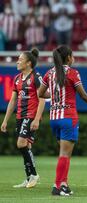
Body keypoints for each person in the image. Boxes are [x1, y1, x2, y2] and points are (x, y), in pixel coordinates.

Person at [37, 45, 87, 196]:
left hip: (54, 118)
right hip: (68, 117)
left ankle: (64, 184)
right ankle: (57, 186)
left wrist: (54, 96)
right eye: (72, 56)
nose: (73, 58)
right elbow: (83, 95)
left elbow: (40, 93)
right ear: (68, 58)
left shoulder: (49, 73)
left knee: (64, 153)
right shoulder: (73, 73)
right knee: (64, 154)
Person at [1, 48, 44, 189]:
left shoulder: (36, 77)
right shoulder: (17, 78)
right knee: (26, 146)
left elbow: (42, 99)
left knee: (21, 144)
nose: (17, 61)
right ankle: (28, 177)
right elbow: (12, 101)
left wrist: (37, 119)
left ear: (29, 63)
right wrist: (5, 120)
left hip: (30, 115)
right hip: (20, 116)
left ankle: (35, 175)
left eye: (20, 59)